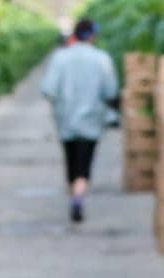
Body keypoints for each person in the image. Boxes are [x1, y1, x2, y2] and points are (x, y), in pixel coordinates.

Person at [41, 19, 118, 224]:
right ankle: (78, 197)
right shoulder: (102, 59)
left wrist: (61, 104)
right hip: (92, 121)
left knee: (71, 161)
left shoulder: (60, 58)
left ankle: (73, 192)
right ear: (92, 36)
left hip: (65, 120)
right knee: (85, 164)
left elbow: (48, 89)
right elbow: (111, 91)